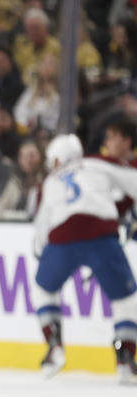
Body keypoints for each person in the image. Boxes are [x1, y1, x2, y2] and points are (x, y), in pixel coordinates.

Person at [31, 134, 137, 384]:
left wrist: (44, 256)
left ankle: (54, 346)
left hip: (61, 239)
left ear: (56, 160)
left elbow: (40, 234)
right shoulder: (97, 162)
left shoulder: (50, 181)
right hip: (100, 235)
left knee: (43, 291)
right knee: (125, 300)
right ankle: (125, 359)